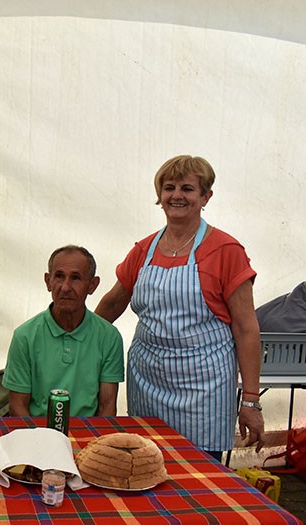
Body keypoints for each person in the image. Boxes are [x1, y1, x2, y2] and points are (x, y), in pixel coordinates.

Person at [95, 155, 264, 459]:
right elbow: (112, 304)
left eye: (187, 188)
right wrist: (77, 340)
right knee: (146, 463)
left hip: (205, 387)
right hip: (147, 381)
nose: (176, 195)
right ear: (159, 195)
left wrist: (250, 401)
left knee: (200, 471)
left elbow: (246, 329)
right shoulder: (143, 250)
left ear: (205, 197)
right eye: (169, 187)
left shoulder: (226, 250)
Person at [3, 245, 124, 417]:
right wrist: (40, 435)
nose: (66, 287)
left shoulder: (109, 337)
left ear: (92, 285)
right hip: (36, 430)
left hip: (89, 431)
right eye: (59, 276)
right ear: (48, 281)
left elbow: (107, 407)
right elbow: (17, 406)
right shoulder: (24, 336)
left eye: (76, 278)